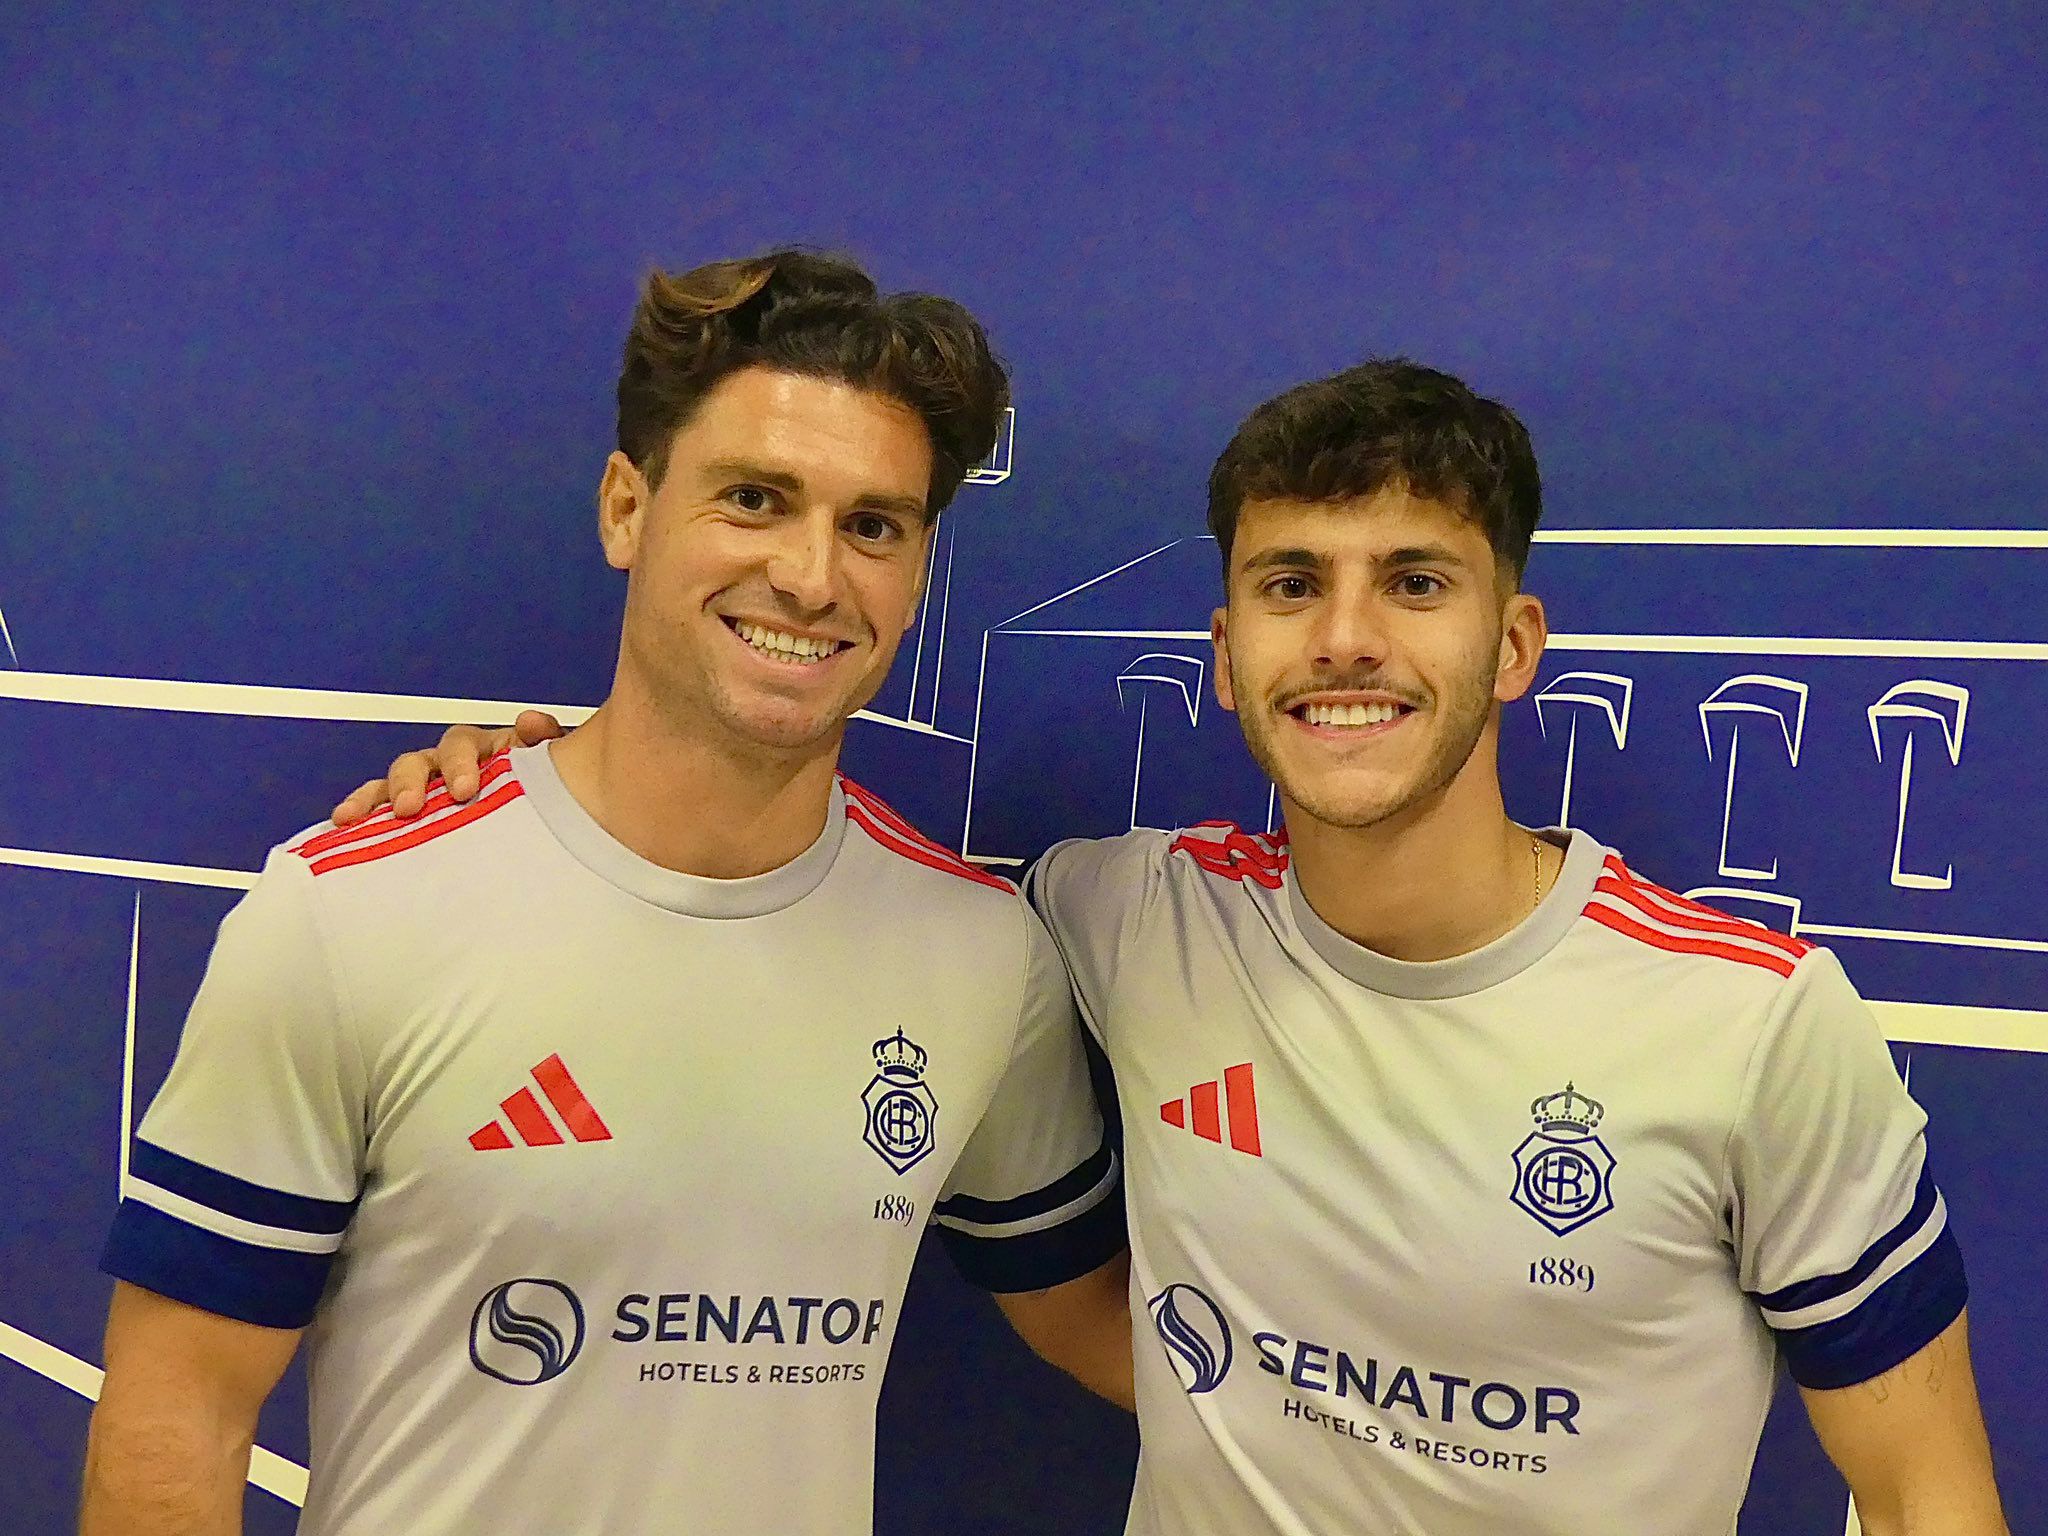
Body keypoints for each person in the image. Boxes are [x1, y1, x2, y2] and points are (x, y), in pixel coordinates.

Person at [342, 361, 2009, 1533]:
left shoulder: (1750, 1020)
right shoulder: (1122, 913)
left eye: (1412, 582)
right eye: (1290, 585)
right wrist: (532, 786)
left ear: (1511, 644)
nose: (1344, 638)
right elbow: (799, 876)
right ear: (1222, 651)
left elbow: (1927, 1491)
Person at [84, 250, 1131, 1536]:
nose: (812, 577)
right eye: (753, 499)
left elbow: (1112, 1326)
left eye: (873, 526)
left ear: (916, 571)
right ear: (627, 509)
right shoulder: (352, 912)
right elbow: (177, 1408)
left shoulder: (981, 954)